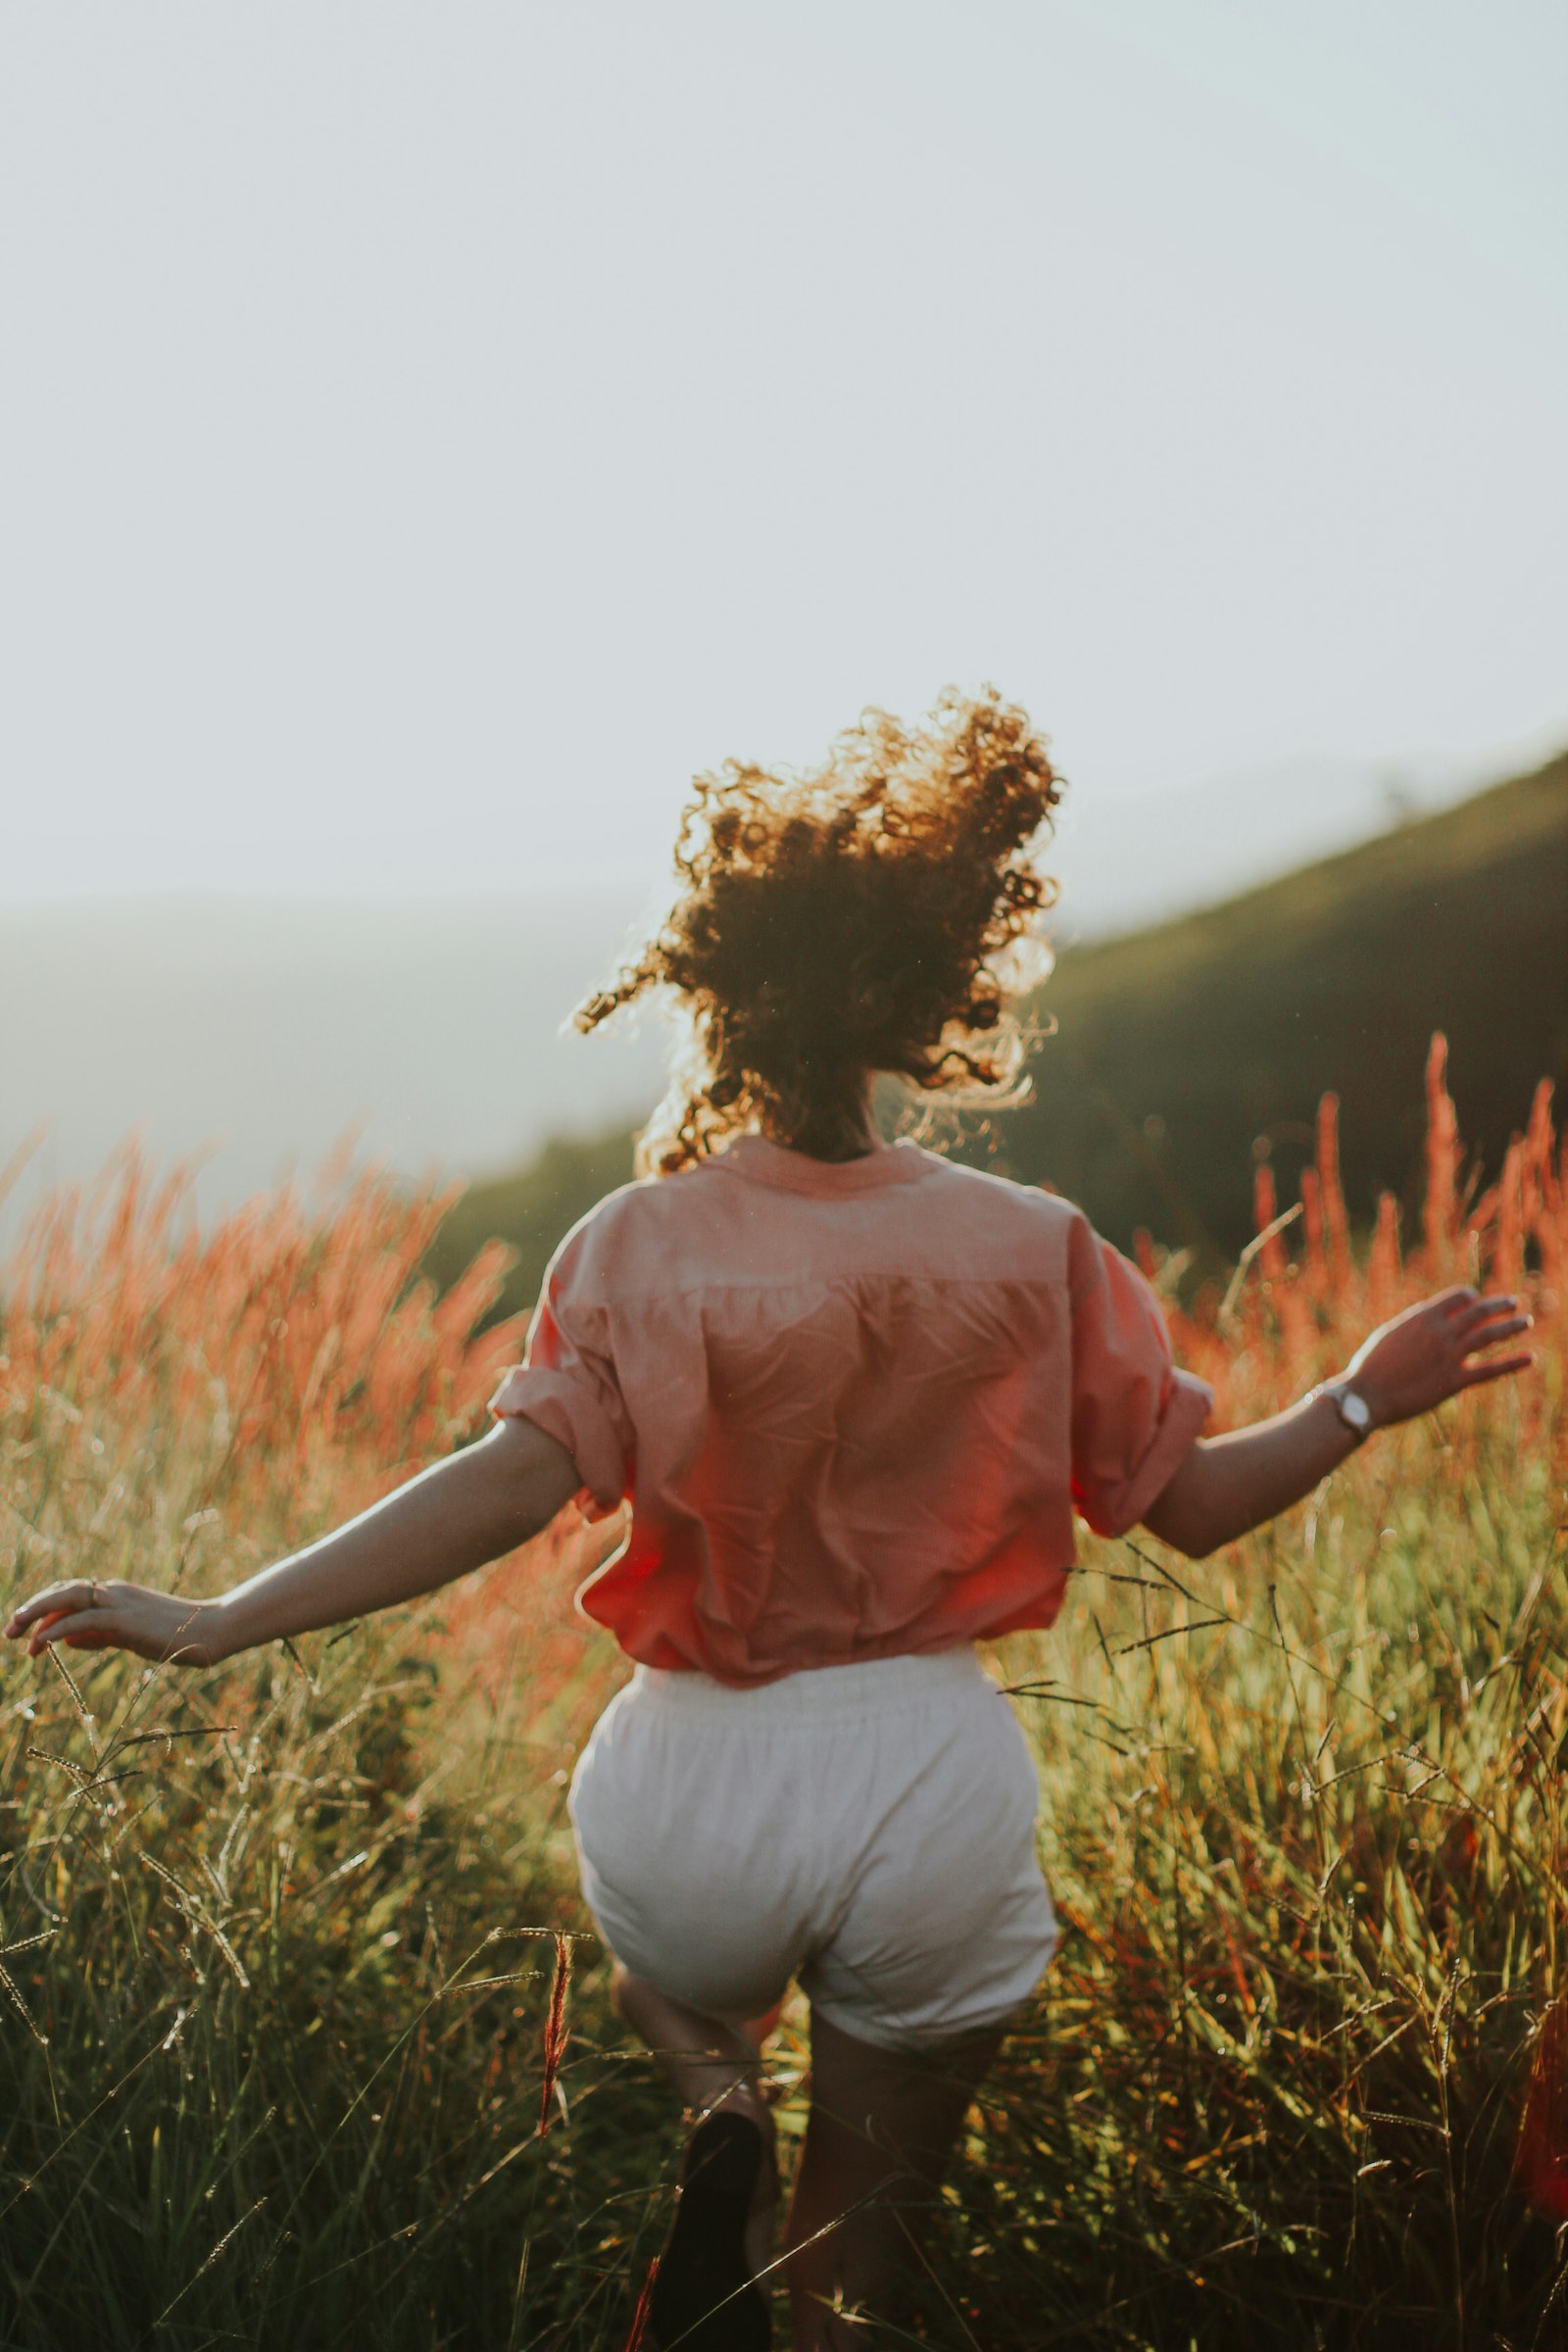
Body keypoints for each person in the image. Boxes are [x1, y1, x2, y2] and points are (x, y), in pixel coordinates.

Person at [3, 687, 1534, 2351]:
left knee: (668, 1960)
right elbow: (1206, 1510)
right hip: (927, 1787)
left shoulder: (636, 1245)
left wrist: (218, 1615)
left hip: (696, 1794)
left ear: (713, 994)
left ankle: (712, 2093)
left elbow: (501, 1487)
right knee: (858, 2282)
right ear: (925, 992)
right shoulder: (1037, 1244)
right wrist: (1368, 1395)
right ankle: (804, 2263)